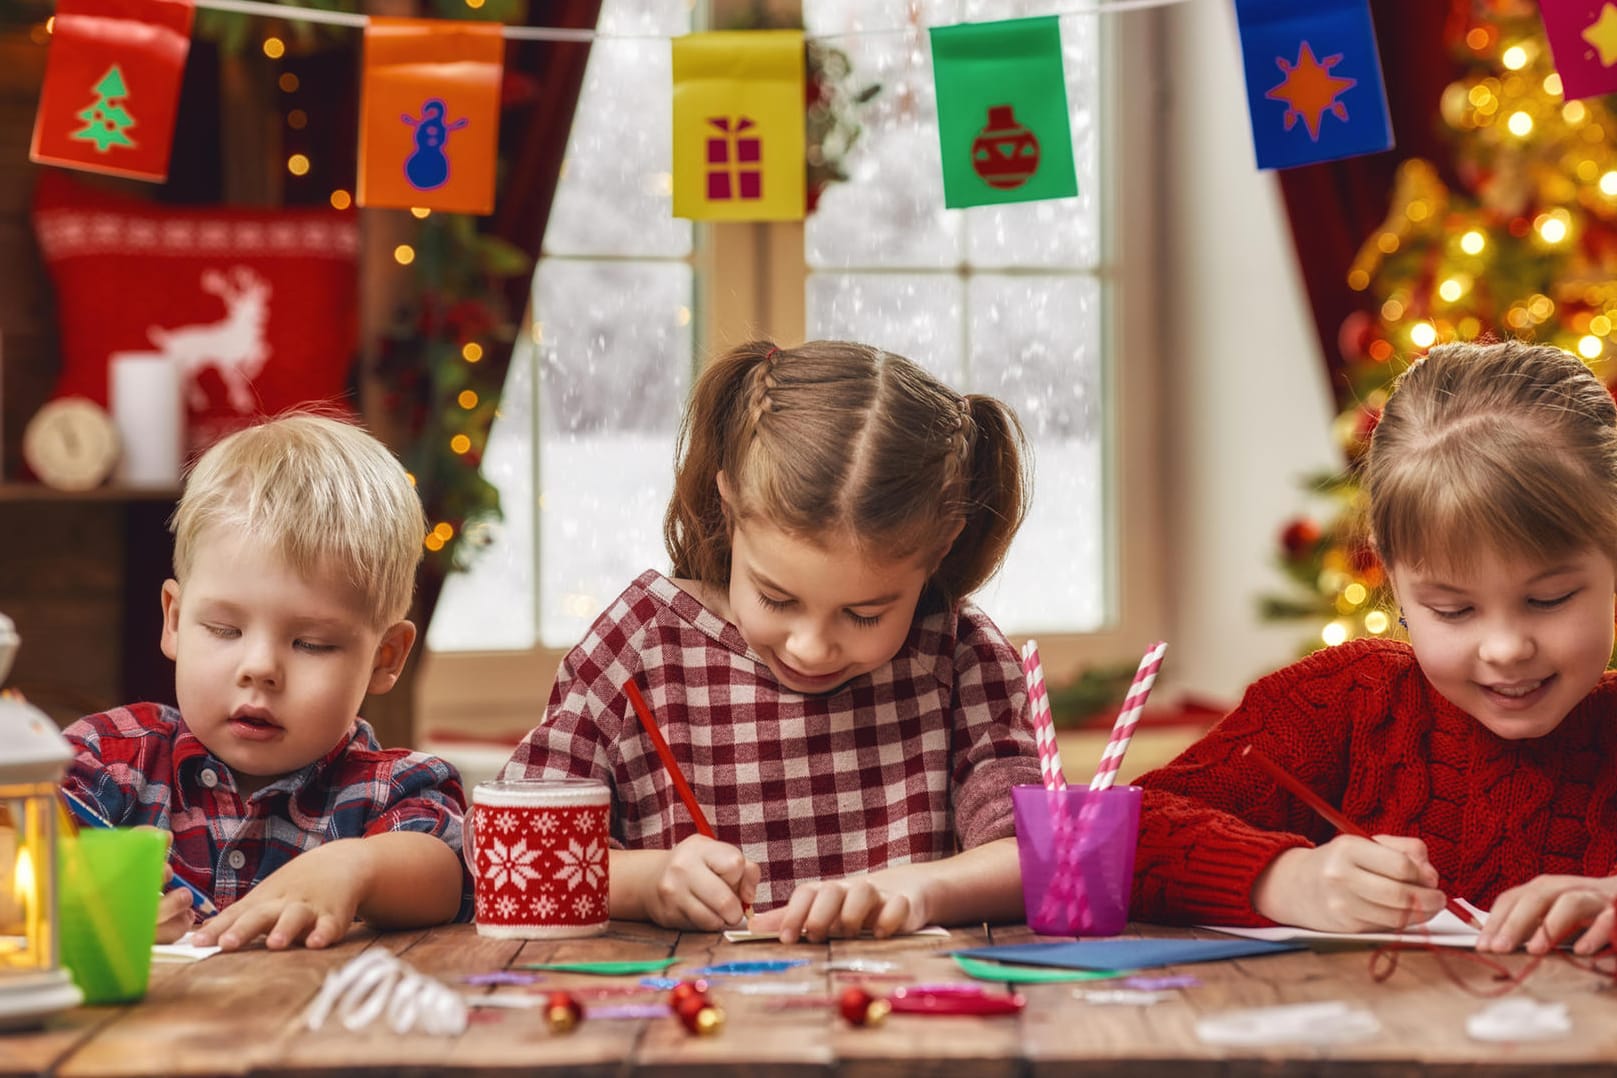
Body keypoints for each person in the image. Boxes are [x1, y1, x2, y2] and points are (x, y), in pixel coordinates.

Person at [500, 339, 1043, 942]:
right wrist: (646, 881)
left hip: (908, 1025)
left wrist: (919, 888)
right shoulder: (642, 646)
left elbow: (1039, 856)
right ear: (728, 508)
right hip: (685, 1023)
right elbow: (508, 851)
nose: (811, 647)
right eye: (778, 600)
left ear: (940, 548)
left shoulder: (960, 659)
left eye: (863, 614)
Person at [1132, 340, 1617, 957]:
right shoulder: (1349, 703)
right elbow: (1103, 834)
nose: (1504, 648)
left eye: (1549, 600)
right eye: (1453, 609)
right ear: (1393, 581)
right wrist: (1279, 878)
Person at [62, 413, 472, 951]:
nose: (259, 668)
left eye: (311, 644)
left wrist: (353, 868)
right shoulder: (112, 758)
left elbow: (449, 871)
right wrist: (81, 890)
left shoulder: (391, 790)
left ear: (384, 657)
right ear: (174, 620)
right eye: (223, 629)